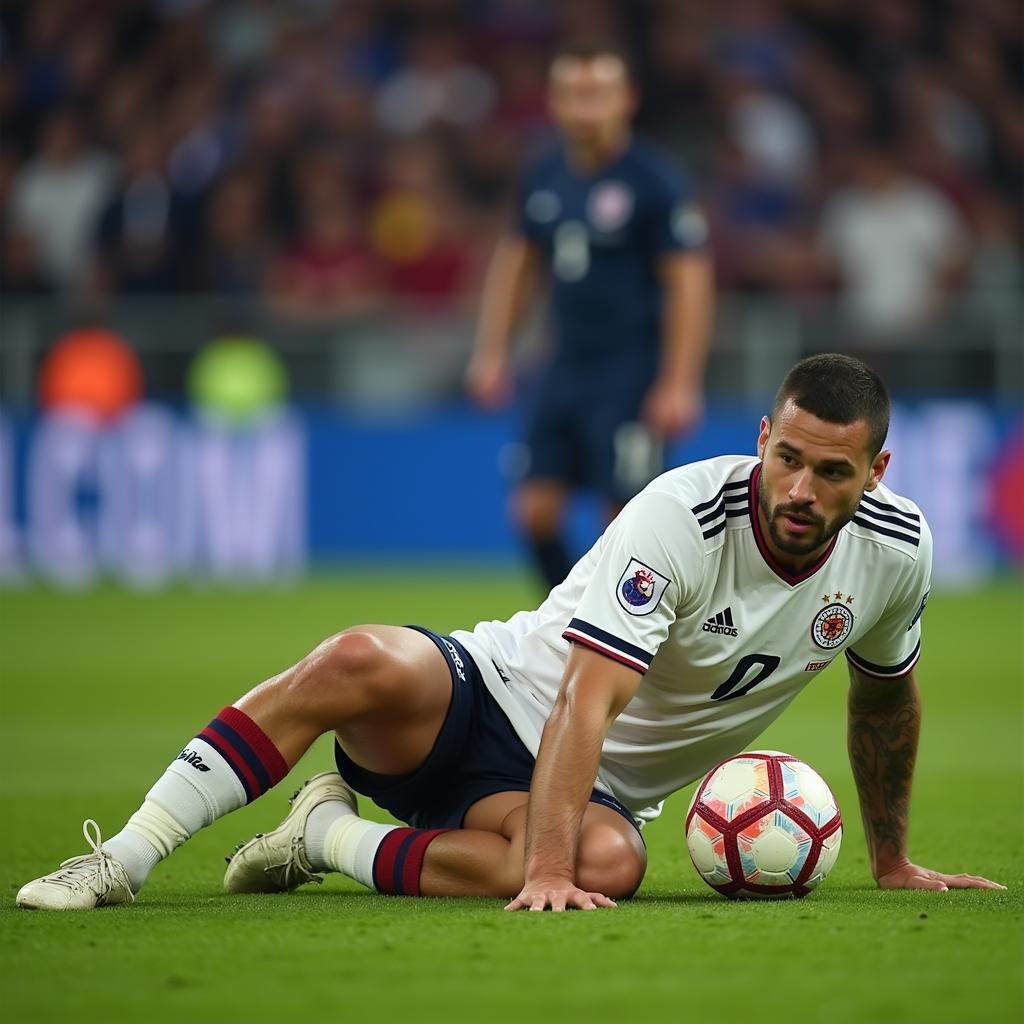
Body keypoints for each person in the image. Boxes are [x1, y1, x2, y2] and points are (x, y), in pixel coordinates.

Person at [17, 354, 1004, 912]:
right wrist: (541, 870)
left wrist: (891, 858)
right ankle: (125, 858)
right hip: (488, 693)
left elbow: (885, 696)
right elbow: (585, 690)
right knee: (358, 655)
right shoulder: (680, 514)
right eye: (785, 458)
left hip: (594, 789)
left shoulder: (896, 551)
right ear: (759, 436)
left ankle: (324, 833)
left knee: (606, 864)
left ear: (875, 470)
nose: (798, 489)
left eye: (829, 473)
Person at [466, 41, 714, 591]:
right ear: (553, 102)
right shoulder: (544, 175)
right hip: (565, 366)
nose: (584, 107)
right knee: (534, 511)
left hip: (632, 371)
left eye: (597, 93)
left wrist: (679, 381)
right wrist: (492, 353)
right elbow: (519, 265)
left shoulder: (655, 180)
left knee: (622, 522)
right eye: (572, 94)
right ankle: (567, 619)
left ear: (626, 99)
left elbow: (690, 282)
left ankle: (626, 642)